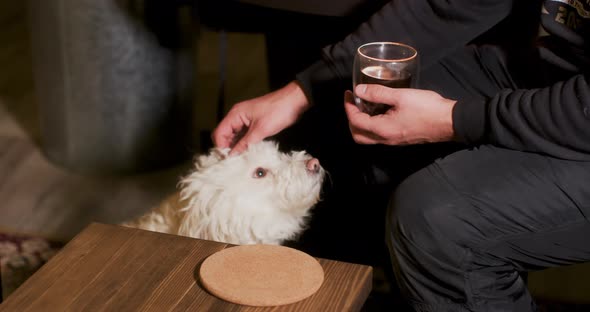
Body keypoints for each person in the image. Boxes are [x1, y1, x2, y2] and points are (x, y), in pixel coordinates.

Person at [213, 0, 590, 311]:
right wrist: (301, 91)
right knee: (363, 104)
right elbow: (449, 6)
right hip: (559, 75)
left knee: (436, 221)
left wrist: (454, 120)